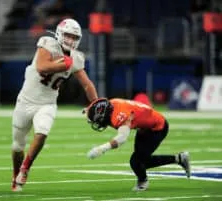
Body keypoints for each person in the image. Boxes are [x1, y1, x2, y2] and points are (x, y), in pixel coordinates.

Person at [12, 18, 98, 191]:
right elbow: (42, 67)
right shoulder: (47, 43)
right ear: (59, 33)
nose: (70, 40)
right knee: (17, 146)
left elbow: (87, 84)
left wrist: (96, 103)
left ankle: (26, 168)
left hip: (47, 103)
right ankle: (15, 176)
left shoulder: (76, 58)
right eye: (67, 36)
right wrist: (62, 64)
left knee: (42, 132)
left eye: (74, 37)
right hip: (26, 101)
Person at [85, 98, 191, 191]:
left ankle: (143, 182)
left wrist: (101, 149)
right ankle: (179, 159)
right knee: (140, 161)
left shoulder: (120, 115)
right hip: (144, 128)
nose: (97, 123)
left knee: (136, 161)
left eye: (97, 120)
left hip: (157, 127)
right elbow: (97, 104)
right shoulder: (111, 104)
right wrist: (88, 110)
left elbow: (122, 139)